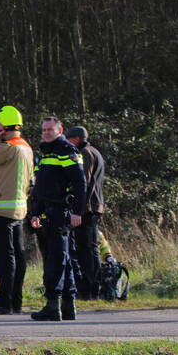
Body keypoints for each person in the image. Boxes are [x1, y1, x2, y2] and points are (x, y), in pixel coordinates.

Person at [29, 117, 86, 321]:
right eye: (43, 129)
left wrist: (78, 211)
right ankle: (68, 306)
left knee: (57, 259)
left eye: (50, 129)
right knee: (64, 258)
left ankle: (53, 304)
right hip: (48, 213)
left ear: (60, 130)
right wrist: (35, 212)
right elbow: (40, 188)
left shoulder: (66, 150)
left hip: (61, 212)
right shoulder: (46, 152)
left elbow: (79, 183)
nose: (46, 133)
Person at [0, 106, 33, 315]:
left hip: (3, 208)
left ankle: (4, 302)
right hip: (19, 208)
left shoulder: (8, 147)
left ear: (5, 126)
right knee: (18, 255)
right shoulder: (26, 147)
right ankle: (15, 300)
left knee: (4, 256)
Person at [65, 125, 105, 301]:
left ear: (77, 138)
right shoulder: (94, 151)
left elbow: (84, 182)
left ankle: (90, 289)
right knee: (89, 248)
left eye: (69, 138)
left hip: (87, 208)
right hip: (93, 206)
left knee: (86, 248)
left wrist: (78, 209)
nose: (66, 141)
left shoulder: (85, 153)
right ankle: (93, 287)